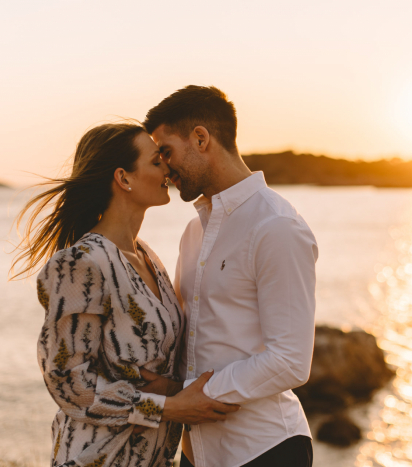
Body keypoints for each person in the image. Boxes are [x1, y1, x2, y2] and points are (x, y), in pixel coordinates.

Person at [9, 122, 239, 467]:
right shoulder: (82, 263)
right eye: (156, 160)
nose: (168, 167)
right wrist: (170, 407)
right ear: (124, 178)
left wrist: (174, 388)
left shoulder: (147, 257)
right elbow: (68, 382)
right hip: (97, 457)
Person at [141, 86, 318, 467]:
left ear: (201, 138)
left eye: (166, 151)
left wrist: (188, 395)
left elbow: (290, 360)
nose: (164, 168)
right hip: (196, 454)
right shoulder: (194, 232)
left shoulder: (276, 226)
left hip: (265, 451)